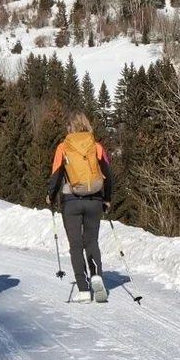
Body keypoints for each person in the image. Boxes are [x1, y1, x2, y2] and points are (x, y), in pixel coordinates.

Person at [47, 113, 114, 303]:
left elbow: (56, 175)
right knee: (91, 241)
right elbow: (108, 174)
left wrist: (50, 196)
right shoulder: (96, 146)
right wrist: (107, 199)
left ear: (70, 127)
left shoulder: (63, 147)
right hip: (95, 200)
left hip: (71, 201)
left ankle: (83, 290)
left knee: (76, 246)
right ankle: (97, 276)